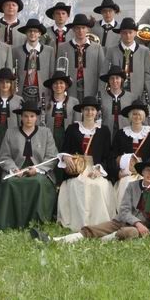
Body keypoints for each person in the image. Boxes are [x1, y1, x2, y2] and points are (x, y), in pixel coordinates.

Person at [37, 158, 150, 243]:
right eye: (147, 170)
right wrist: (136, 222)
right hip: (126, 221)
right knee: (94, 228)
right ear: (142, 172)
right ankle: (57, 240)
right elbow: (123, 210)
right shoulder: (132, 186)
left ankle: (103, 240)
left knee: (128, 232)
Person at [0, 100, 58, 229]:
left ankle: (37, 222)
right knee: (10, 183)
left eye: (32, 116)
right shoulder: (11, 132)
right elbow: (4, 156)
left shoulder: (46, 133)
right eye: (26, 116)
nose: (29, 119)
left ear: (37, 118)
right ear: (21, 117)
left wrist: (38, 169)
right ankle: (9, 222)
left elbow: (52, 157)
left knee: (38, 183)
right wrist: (13, 169)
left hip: (39, 172)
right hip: (16, 171)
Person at [57, 96, 116, 231]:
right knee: (80, 185)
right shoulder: (72, 129)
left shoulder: (104, 131)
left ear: (97, 112)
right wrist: (66, 157)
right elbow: (64, 149)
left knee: (99, 185)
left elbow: (108, 156)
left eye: (93, 110)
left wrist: (99, 169)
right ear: (82, 111)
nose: (90, 112)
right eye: (87, 109)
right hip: (77, 171)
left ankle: (98, 224)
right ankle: (82, 223)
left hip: (95, 169)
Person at [112, 100, 150, 204]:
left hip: (146, 172)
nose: (137, 117)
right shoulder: (121, 134)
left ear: (143, 116)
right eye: (134, 114)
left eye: (139, 114)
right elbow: (113, 156)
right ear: (130, 116)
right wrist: (118, 172)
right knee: (126, 183)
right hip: (126, 173)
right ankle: (125, 214)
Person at [42, 70, 78, 185]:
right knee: (51, 162)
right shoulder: (44, 102)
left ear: (66, 86)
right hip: (49, 138)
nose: (58, 86)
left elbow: (77, 124)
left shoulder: (74, 102)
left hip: (67, 139)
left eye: (61, 83)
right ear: (52, 86)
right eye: (56, 83)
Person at [104, 17, 150, 101]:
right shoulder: (111, 50)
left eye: (130, 32)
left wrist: (149, 92)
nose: (128, 35)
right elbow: (104, 71)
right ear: (120, 34)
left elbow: (147, 74)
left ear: (135, 33)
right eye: (124, 33)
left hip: (138, 93)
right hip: (116, 92)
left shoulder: (144, 51)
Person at [61, 13, 105, 101]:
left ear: (88, 29)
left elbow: (102, 72)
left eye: (83, 28)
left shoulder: (97, 47)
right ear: (73, 29)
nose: (80, 31)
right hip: (70, 90)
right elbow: (60, 71)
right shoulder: (63, 47)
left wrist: (100, 92)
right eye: (77, 28)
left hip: (91, 90)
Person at [15, 18, 55, 103]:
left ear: (40, 33)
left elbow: (52, 73)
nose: (32, 33)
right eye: (29, 31)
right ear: (26, 33)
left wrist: (52, 93)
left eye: (35, 31)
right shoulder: (16, 51)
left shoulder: (49, 51)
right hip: (22, 93)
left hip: (42, 93)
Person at [0, 67, 22, 148]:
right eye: (2, 82)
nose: (4, 85)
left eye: (7, 82)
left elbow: (21, 121)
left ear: (11, 84)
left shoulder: (19, 100)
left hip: (13, 134)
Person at [100, 65, 134, 137]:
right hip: (106, 134)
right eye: (112, 78)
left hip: (125, 134)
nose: (114, 81)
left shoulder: (131, 97)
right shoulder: (101, 97)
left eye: (117, 78)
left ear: (121, 80)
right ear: (108, 81)